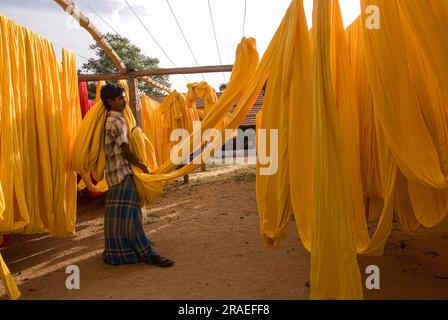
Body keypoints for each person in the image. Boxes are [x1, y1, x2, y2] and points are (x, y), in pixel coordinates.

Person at [101, 82, 174, 268]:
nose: (124, 101)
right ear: (110, 101)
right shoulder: (117, 121)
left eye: (124, 97)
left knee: (117, 218)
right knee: (133, 215)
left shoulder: (109, 119)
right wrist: (143, 165)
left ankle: (116, 253)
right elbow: (125, 150)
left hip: (113, 174)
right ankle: (147, 253)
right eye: (120, 98)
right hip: (123, 173)